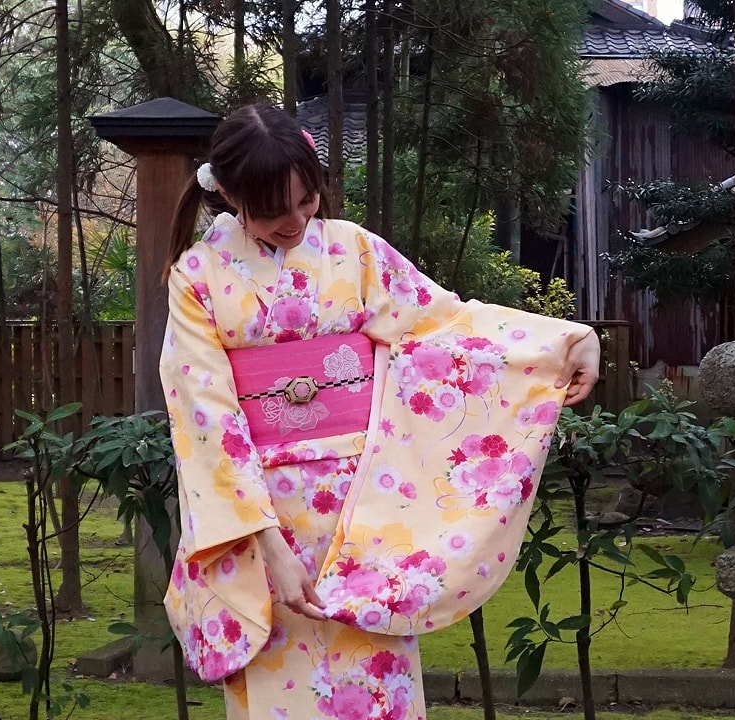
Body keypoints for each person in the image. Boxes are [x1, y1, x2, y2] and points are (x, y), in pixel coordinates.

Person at [160, 103, 600, 720]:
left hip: (364, 522)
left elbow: (443, 325)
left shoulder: (356, 254)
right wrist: (269, 546)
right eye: (272, 209)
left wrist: (564, 342)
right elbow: (203, 414)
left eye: (306, 200)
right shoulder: (198, 278)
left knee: (377, 695)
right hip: (263, 526)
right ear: (230, 193)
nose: (294, 221)